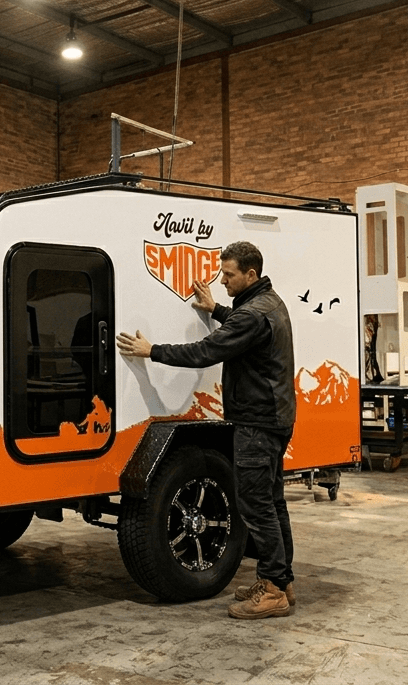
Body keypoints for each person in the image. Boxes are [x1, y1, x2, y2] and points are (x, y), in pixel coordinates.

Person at [115, 241, 296, 620]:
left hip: (257, 422)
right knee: (271, 502)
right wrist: (216, 308)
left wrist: (152, 351)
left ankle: (275, 589)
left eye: (229, 274)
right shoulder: (267, 304)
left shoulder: (253, 315)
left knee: (255, 505)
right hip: (274, 419)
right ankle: (281, 582)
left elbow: (206, 352)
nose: (223, 279)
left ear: (250, 274)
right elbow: (242, 325)